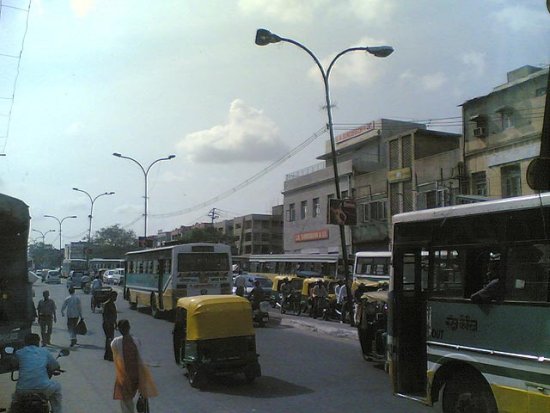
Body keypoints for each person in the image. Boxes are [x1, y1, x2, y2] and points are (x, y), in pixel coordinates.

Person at [111, 319, 158, 413]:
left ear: (119, 330)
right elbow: (140, 358)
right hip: (137, 374)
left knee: (125, 400)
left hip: (125, 376)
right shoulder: (136, 341)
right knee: (136, 396)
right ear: (129, 328)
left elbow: (115, 355)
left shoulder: (115, 342)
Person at [11, 333, 62, 413]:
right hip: (44, 388)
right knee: (57, 388)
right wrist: (55, 368)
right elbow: (55, 365)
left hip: (23, 389)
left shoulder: (19, 352)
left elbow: (13, 364)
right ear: (38, 342)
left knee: (15, 400)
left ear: (25, 342)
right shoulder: (44, 351)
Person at [103, 291, 118, 361]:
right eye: (115, 297)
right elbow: (105, 316)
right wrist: (108, 324)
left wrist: (115, 323)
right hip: (107, 324)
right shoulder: (107, 304)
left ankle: (107, 355)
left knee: (110, 339)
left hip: (111, 324)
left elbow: (114, 315)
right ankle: (109, 355)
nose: (116, 298)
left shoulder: (112, 304)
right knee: (109, 339)